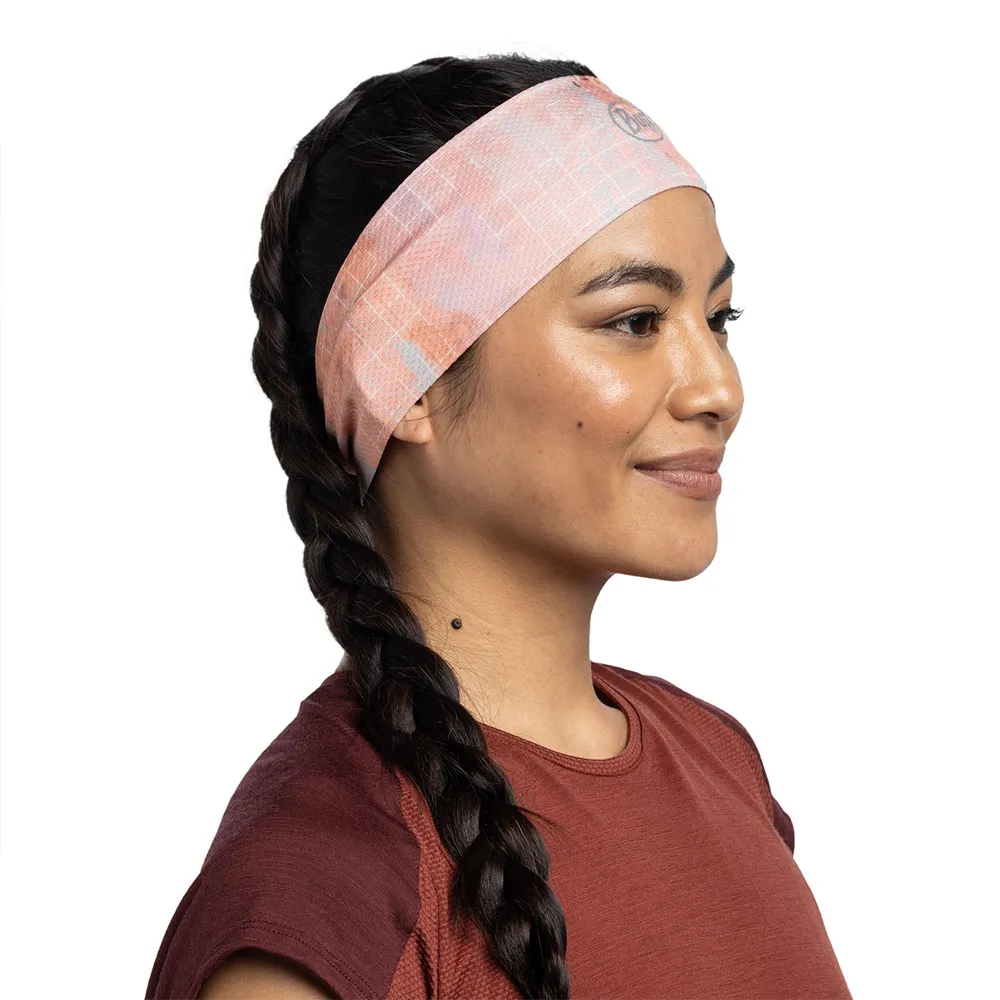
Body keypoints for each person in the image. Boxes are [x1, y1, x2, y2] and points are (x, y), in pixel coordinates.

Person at [145, 52, 853, 1000]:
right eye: (636, 321)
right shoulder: (321, 888)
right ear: (410, 378)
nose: (719, 389)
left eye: (721, 319)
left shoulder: (718, 760)